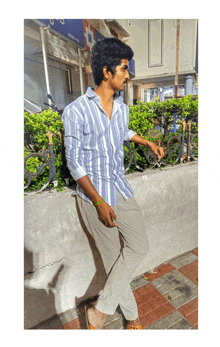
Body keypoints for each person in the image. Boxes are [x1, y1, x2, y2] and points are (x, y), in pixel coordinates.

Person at [62, 38, 164, 329]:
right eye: (123, 68)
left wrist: (146, 142)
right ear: (106, 72)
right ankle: (132, 318)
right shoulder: (76, 111)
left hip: (120, 187)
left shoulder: (121, 108)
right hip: (95, 197)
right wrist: (98, 201)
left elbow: (122, 131)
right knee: (112, 260)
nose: (128, 75)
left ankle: (99, 312)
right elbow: (74, 162)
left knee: (138, 247)